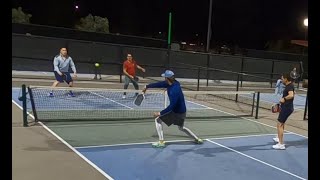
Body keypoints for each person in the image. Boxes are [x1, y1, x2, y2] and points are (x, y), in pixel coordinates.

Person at [142, 70, 203, 148]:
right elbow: (160, 84)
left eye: (164, 77)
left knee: (158, 119)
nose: (164, 79)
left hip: (176, 112)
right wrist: (147, 86)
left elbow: (172, 106)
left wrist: (160, 113)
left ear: (167, 78)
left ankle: (161, 142)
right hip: (182, 111)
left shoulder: (174, 90)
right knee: (181, 128)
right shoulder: (174, 83)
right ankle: (197, 139)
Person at [272, 73, 295, 150]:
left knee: (279, 124)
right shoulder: (289, 86)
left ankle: (281, 144)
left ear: (286, 79)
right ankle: (279, 138)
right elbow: (293, 93)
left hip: (287, 108)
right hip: (286, 107)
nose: (281, 80)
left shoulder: (289, 86)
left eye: (282, 79)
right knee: (282, 123)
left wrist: (284, 99)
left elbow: (291, 95)